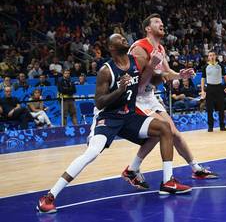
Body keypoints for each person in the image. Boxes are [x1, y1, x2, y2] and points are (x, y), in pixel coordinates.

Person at [36, 34, 191, 214]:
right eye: (119, 39)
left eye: (124, 38)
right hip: (107, 118)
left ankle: (167, 182)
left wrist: (157, 68)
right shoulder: (106, 70)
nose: (124, 39)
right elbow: (99, 102)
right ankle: (48, 197)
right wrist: (120, 90)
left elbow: (154, 80)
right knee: (92, 153)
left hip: (129, 116)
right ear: (111, 48)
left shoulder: (137, 60)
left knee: (164, 129)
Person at [121, 14, 217, 191]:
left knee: (175, 134)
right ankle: (142, 172)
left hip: (150, 96)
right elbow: (139, 84)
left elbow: (167, 72)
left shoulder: (161, 48)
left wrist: (180, 75)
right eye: (157, 22)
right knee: (165, 132)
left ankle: (195, 168)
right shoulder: (139, 49)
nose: (162, 23)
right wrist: (152, 65)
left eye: (162, 21)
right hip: (136, 98)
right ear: (148, 28)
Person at [200, 51, 226, 131]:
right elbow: (203, 79)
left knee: (221, 107)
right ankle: (210, 126)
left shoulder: (220, 66)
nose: (212, 57)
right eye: (210, 55)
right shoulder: (205, 67)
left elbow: (225, 76)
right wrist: (202, 90)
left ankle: (222, 125)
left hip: (219, 87)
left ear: (215, 56)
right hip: (209, 88)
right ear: (208, 57)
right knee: (209, 108)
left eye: (213, 55)